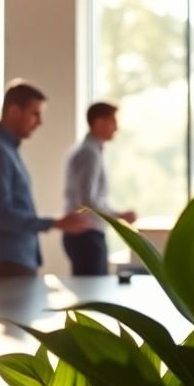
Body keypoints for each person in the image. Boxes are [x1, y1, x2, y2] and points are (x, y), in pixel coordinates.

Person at [0, 81, 89, 278]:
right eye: (35, 114)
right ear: (14, 111)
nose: (39, 122)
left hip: (14, 260)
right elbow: (0, 215)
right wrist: (55, 223)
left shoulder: (7, 150)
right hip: (4, 263)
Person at [63, 102, 138, 277]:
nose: (116, 128)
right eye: (113, 121)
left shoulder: (88, 150)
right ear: (98, 122)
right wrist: (118, 216)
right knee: (93, 288)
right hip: (86, 235)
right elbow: (86, 200)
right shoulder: (89, 153)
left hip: (85, 234)